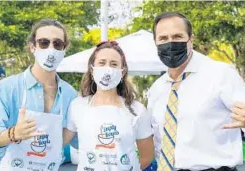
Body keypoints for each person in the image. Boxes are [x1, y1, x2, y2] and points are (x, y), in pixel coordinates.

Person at [147, 12, 245, 171]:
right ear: (155, 42)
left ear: (191, 39)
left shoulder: (221, 75)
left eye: (178, 36)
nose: (170, 43)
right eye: (163, 38)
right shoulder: (156, 89)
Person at [0, 19, 77, 171]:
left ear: (64, 49)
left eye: (57, 44)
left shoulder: (70, 95)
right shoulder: (6, 88)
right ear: (32, 47)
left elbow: (80, 140)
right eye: (44, 43)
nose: (51, 49)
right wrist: (14, 133)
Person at [63, 41, 155, 171]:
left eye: (114, 64)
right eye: (102, 63)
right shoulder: (77, 105)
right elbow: (60, 141)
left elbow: (147, 157)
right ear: (92, 69)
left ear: (122, 72)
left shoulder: (137, 109)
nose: (107, 69)